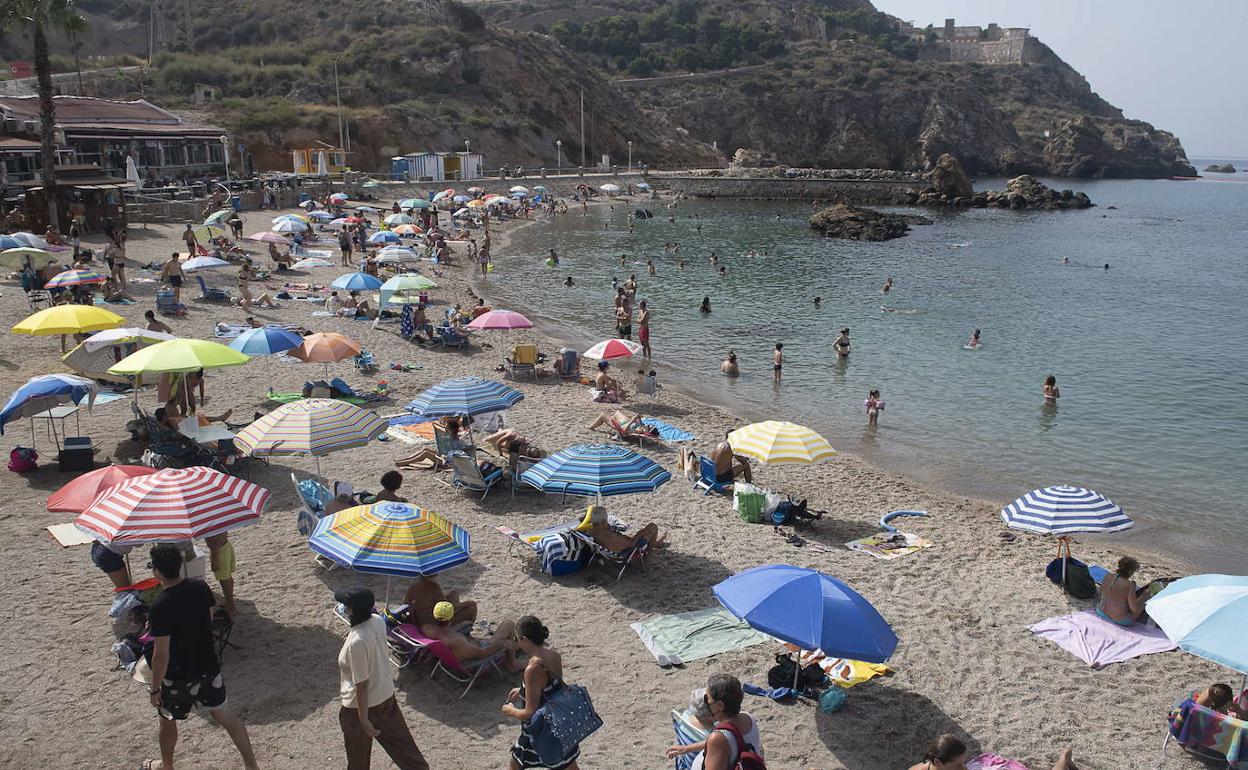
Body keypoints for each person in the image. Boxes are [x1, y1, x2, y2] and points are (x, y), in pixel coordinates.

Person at [144, 544, 259, 770]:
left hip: (177, 675)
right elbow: (207, 620)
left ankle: (166, 766)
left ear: (157, 572)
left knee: (167, 721)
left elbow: (161, 655)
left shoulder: (160, 606)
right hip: (208, 667)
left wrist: (155, 688)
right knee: (226, 716)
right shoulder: (200, 587)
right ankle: (251, 766)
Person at [335, 586, 430, 770]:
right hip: (386, 698)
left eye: (344, 604)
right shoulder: (378, 621)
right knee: (408, 755)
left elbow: (361, 685)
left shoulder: (356, 642)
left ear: (352, 610)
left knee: (358, 763)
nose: (341, 607)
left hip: (359, 708)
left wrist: (363, 720)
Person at [502, 616, 582, 770]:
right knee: (567, 762)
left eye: (516, 639)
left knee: (516, 763)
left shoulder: (532, 669)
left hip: (539, 730)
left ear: (524, 639)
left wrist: (510, 710)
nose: (517, 642)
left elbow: (528, 713)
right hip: (557, 724)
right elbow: (552, 687)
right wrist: (523, 691)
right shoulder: (554, 656)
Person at [665, 674, 761, 770]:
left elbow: (721, 740)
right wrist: (688, 748)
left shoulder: (718, 738)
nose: (707, 705)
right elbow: (728, 740)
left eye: (708, 700)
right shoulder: (748, 718)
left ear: (720, 705)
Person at [421, 601, 516, 669]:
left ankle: (515, 647)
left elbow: (446, 631)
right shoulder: (457, 641)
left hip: (454, 655)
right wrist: (502, 643)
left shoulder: (426, 629)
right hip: (476, 661)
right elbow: (482, 654)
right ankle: (513, 663)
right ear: (452, 618)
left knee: (466, 623)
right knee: (508, 624)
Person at [402, 577, 477, 629]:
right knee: (472, 606)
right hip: (438, 624)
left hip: (421, 622)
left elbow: (405, 605)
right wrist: (465, 604)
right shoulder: (434, 587)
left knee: (453, 593)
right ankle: (467, 632)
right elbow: (445, 607)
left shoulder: (412, 587)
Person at [1097, 556, 1148, 626]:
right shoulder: (1130, 585)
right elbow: (1134, 609)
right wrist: (1144, 596)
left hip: (1101, 611)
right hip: (1120, 620)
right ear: (1131, 572)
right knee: (1145, 596)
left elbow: (1101, 591)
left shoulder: (1108, 576)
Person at [586, 505, 662, 551]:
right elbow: (630, 544)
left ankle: (654, 543)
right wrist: (639, 534)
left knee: (632, 533)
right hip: (628, 548)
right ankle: (648, 556)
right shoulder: (607, 536)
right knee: (653, 526)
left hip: (618, 543)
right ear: (603, 520)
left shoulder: (591, 530)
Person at [204, 532, 237, 616]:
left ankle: (231, 607)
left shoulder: (208, 527)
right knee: (228, 576)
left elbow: (214, 546)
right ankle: (229, 601)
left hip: (219, 553)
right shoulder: (217, 521)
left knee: (224, 581)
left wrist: (214, 562)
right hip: (226, 546)